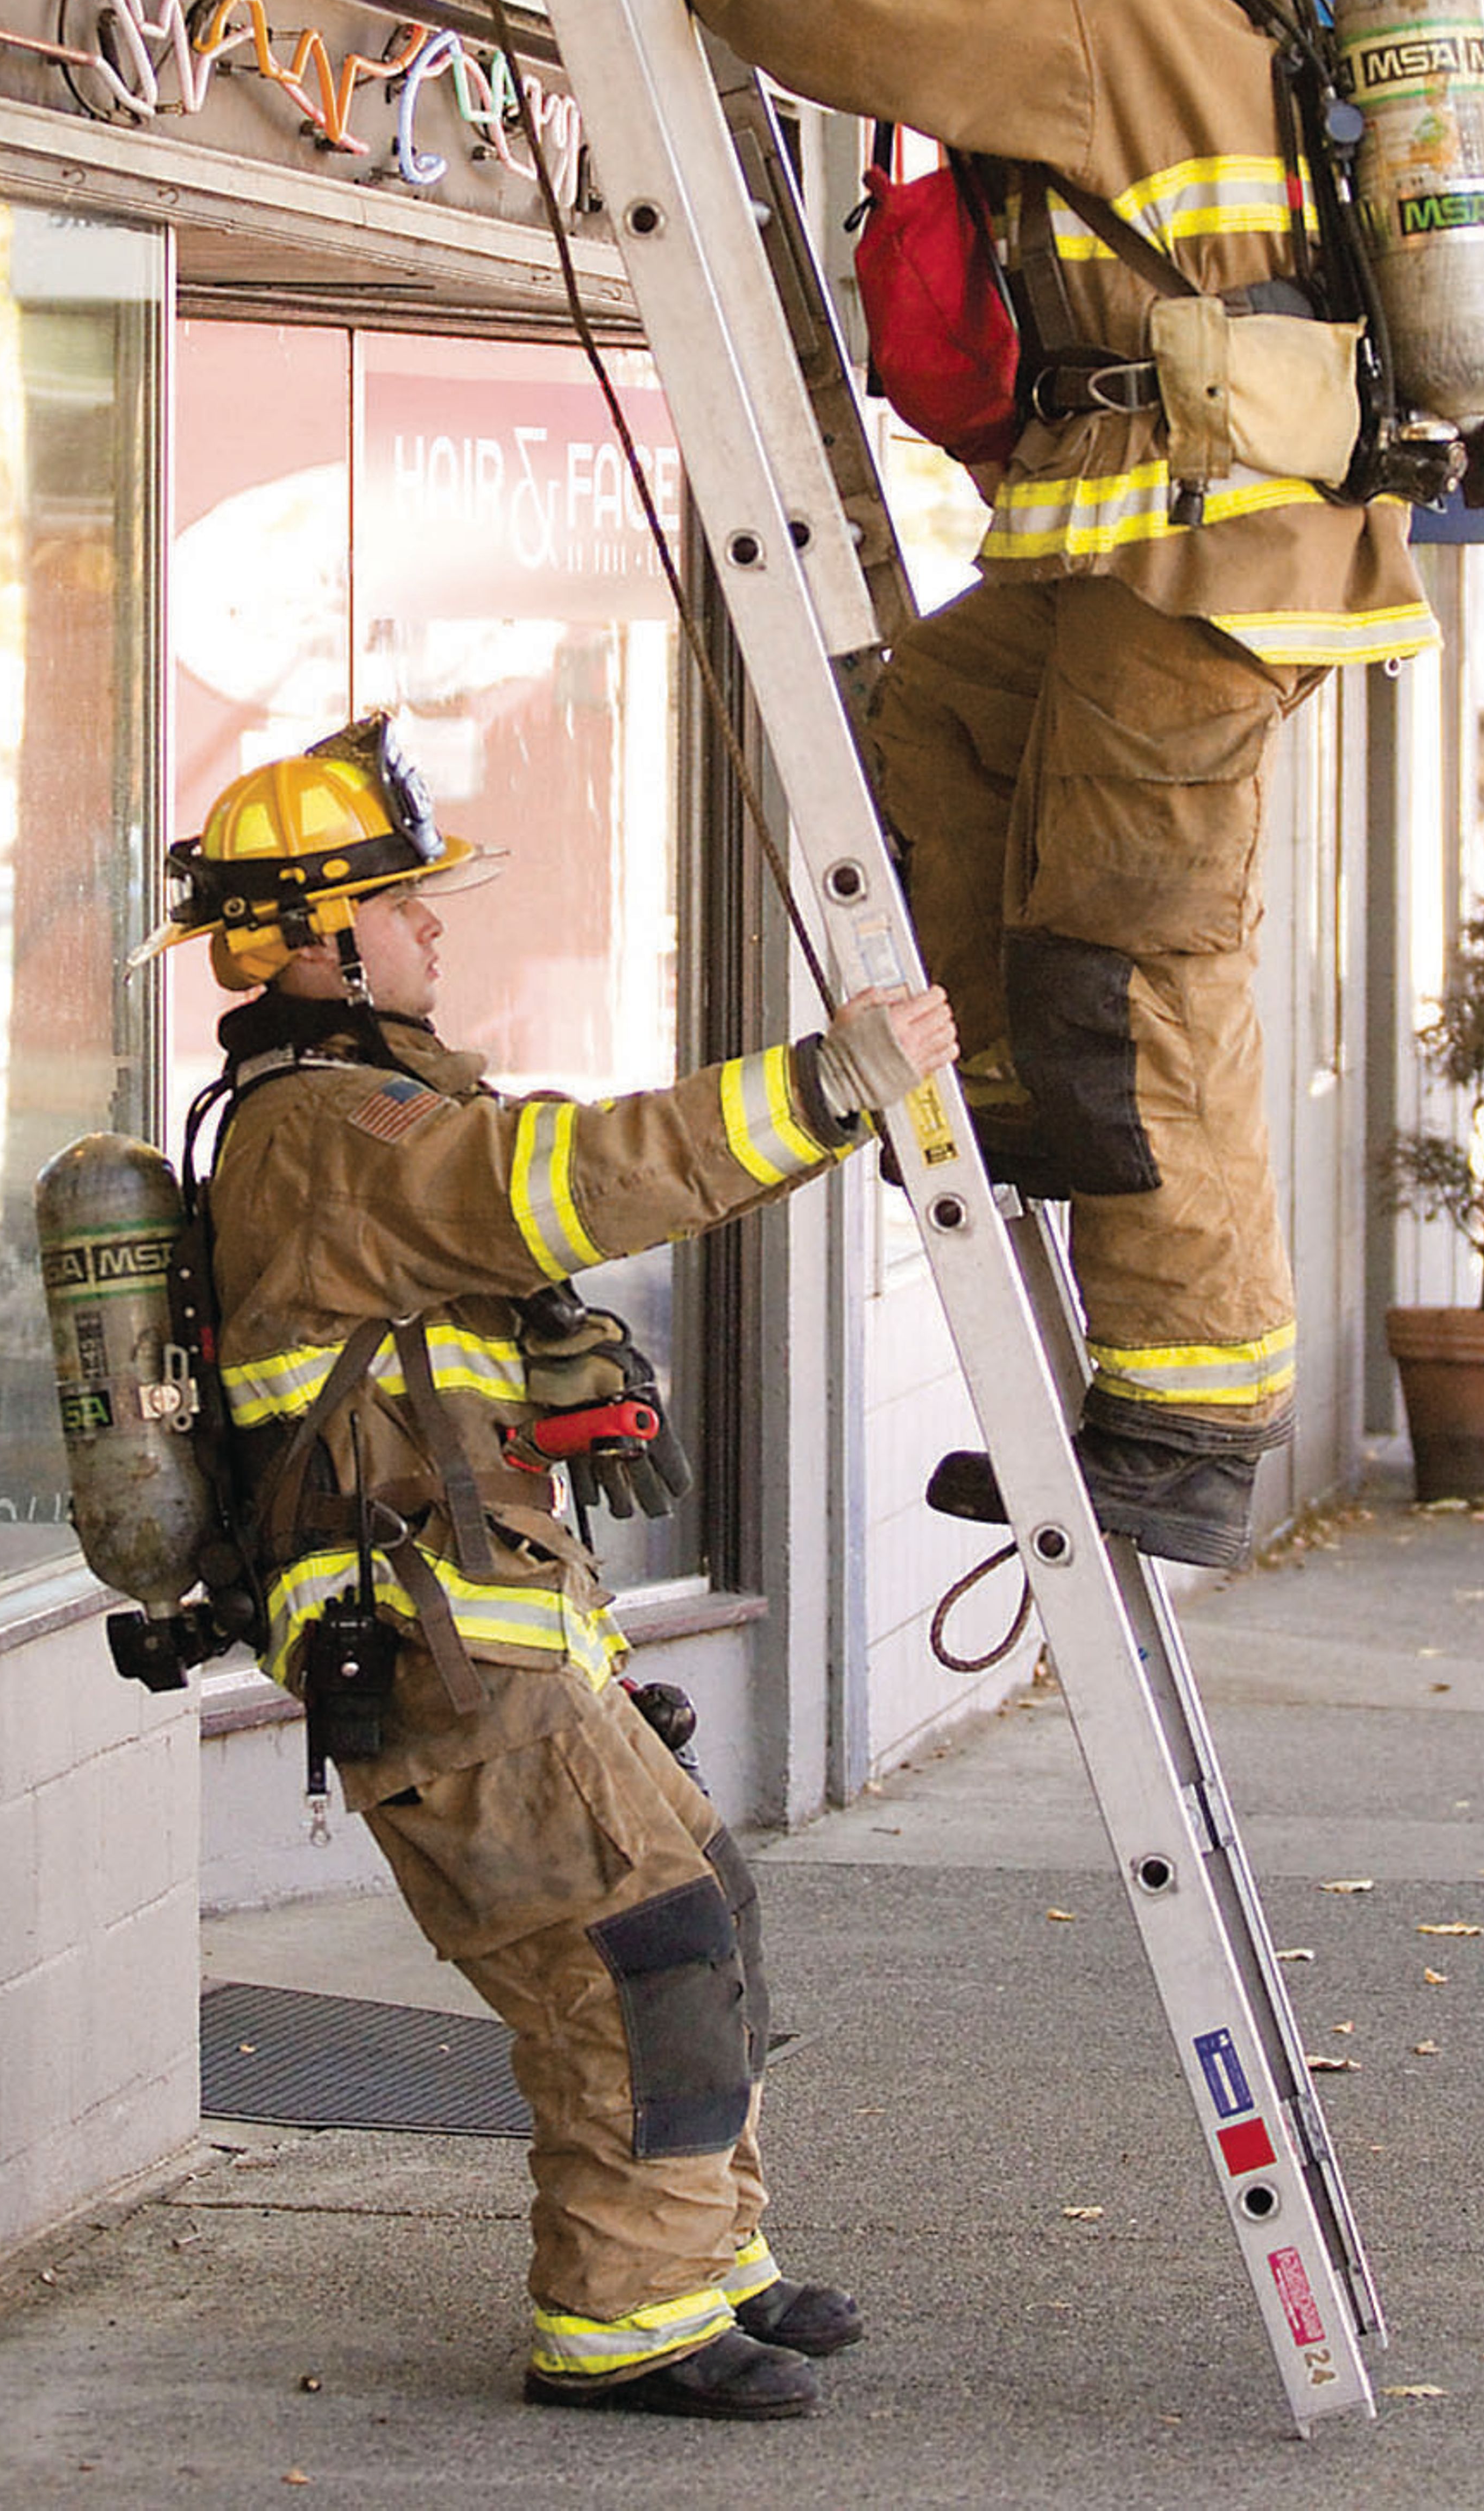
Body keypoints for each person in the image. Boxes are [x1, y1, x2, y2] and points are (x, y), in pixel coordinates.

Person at [640, 0, 1438, 1572]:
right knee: (943, 717)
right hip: (1136, 537)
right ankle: (1021, 1093)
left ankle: (1185, 1417)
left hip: (1206, 542)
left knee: (1137, 954)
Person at [153, 713, 955, 2420]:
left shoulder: (359, 1107)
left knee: (697, 1919)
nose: (437, 927)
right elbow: (568, 1180)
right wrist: (826, 1084)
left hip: (501, 1643)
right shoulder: (331, 1131)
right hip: (440, 1668)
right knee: (625, 1964)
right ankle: (623, 2322)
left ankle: (700, 2254)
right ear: (311, 942)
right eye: (403, 903)